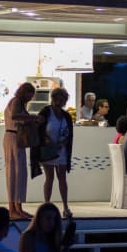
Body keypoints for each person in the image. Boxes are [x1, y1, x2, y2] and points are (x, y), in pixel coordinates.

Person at [33, 87, 73, 218]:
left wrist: (63, 143)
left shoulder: (66, 115)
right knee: (49, 177)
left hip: (62, 150)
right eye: (58, 99)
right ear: (53, 98)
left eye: (63, 100)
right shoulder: (45, 112)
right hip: (48, 149)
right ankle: (46, 205)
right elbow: (38, 129)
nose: (60, 102)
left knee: (62, 177)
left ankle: (65, 207)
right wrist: (46, 140)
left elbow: (69, 134)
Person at [4, 82, 38, 220]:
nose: (30, 98)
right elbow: (15, 116)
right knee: (14, 173)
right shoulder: (16, 101)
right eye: (30, 95)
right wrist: (33, 118)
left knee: (20, 173)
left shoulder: (19, 103)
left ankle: (18, 208)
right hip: (13, 138)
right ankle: (12, 208)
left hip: (16, 139)